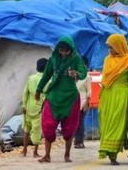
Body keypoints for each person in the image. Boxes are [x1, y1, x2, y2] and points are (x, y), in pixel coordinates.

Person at [35, 36, 87, 164]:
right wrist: (39, 89)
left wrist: (77, 74)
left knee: (69, 129)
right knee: (47, 125)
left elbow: (83, 72)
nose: (63, 53)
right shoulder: (53, 58)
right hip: (53, 96)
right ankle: (47, 155)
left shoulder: (76, 58)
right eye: (61, 50)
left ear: (70, 49)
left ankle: (67, 154)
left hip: (70, 98)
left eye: (66, 51)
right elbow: (46, 75)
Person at [99, 34, 128, 165]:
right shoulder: (107, 60)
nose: (109, 50)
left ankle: (112, 153)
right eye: (108, 47)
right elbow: (104, 79)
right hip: (107, 95)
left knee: (117, 123)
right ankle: (106, 149)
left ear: (119, 46)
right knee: (106, 123)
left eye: (112, 47)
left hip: (122, 95)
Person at [22, 58, 47, 158]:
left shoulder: (30, 78)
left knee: (27, 129)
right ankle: (35, 152)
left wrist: (24, 105)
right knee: (37, 130)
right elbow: (46, 94)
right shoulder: (46, 80)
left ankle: (24, 150)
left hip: (28, 108)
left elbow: (25, 93)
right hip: (39, 108)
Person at [73, 59, 92, 149]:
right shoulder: (74, 76)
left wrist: (86, 104)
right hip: (73, 102)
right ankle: (76, 140)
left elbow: (89, 91)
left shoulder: (87, 77)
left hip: (82, 102)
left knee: (80, 122)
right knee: (74, 122)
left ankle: (80, 141)